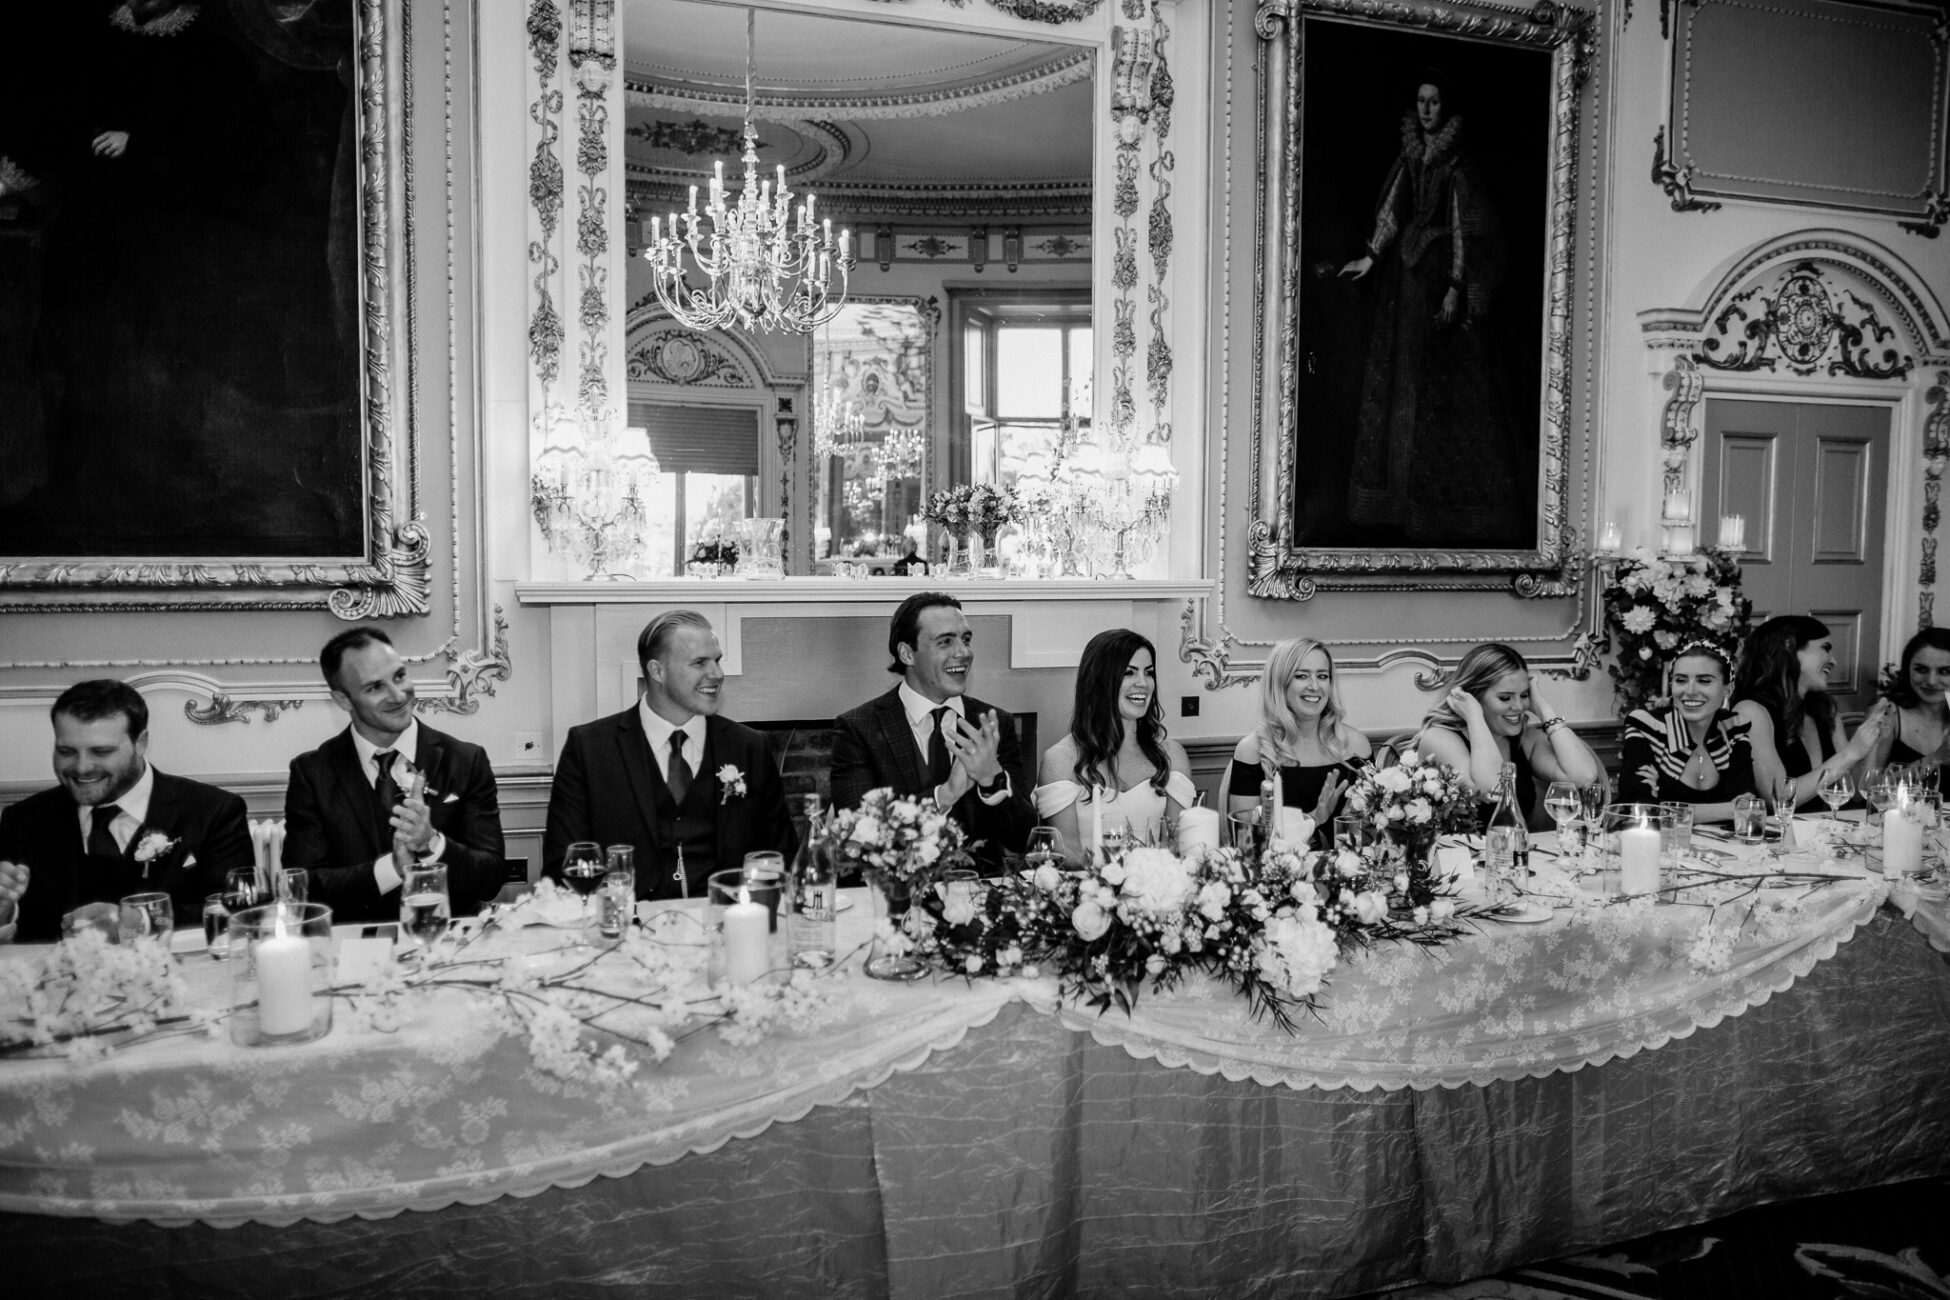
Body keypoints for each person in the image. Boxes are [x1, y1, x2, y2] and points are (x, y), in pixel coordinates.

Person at [1337, 69, 1521, 546]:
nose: (1426, 109)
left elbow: (1465, 228)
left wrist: (1456, 288)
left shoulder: (1457, 164)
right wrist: (1372, 255)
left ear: (1447, 108)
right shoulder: (1410, 156)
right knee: (1399, 380)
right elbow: (1392, 212)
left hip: (1439, 276)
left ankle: (1433, 510)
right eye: (1420, 100)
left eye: (1434, 101)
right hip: (1405, 278)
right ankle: (1391, 499)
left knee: (1437, 391)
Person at [543, 610, 795, 900]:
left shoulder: (750, 747)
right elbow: (561, 867)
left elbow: (781, 854)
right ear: (657, 671)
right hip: (629, 928)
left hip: (729, 922)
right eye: (700, 662)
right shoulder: (589, 748)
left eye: (717, 661)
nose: (717, 674)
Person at [0, 679, 252, 943]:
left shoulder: (213, 812)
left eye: (101, 751)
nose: (82, 767)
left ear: (140, 742)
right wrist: (3, 911)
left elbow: (236, 911)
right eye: (67, 751)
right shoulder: (23, 821)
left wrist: (139, 922)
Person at [284, 628, 507, 925]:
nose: (398, 695)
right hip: (354, 951)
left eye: (400, 676)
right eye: (375, 688)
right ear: (342, 699)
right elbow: (305, 888)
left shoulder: (466, 760)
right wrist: (392, 868)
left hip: (451, 944)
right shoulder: (312, 774)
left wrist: (431, 844)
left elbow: (489, 879)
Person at [832, 591, 1035, 875]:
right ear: (907, 653)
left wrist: (992, 781)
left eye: (966, 639)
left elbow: (1023, 839)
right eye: (945, 641)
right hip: (894, 898)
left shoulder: (992, 723)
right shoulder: (858, 728)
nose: (963, 652)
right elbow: (856, 841)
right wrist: (945, 795)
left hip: (978, 901)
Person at [1035, 630, 1194, 863]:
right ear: (1099, 680)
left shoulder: (1172, 757)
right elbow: (1067, 858)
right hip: (1088, 891)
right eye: (1129, 673)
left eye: (1148, 673)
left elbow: (1177, 850)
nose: (1143, 683)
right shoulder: (1061, 760)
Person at [1413, 642, 1602, 828]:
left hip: (1513, 854)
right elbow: (1493, 789)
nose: (1518, 707)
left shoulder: (1526, 739)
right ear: (1473, 697)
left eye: (1524, 695)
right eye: (1505, 698)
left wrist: (1543, 709)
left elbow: (1583, 776)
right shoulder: (1440, 739)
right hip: (1456, 858)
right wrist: (1474, 717)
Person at [1731, 615, 1886, 810]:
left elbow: (1852, 794)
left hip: (1816, 833)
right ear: (1790, 647)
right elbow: (1778, 798)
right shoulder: (1751, 711)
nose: (1834, 661)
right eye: (1826, 648)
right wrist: (1850, 753)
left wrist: (1871, 740)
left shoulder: (1825, 709)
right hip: (1767, 835)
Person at [1226, 637, 1371, 843]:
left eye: (1322, 676)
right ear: (1280, 684)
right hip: (1280, 873)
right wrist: (1313, 818)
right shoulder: (1253, 750)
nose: (1314, 686)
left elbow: (1373, 836)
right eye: (1301, 676)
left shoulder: (1356, 746)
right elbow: (1248, 843)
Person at [1616, 641, 1758, 821]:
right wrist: (1730, 810)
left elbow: (1747, 809)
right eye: (1681, 680)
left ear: (1727, 690)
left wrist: (1663, 806)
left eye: (1704, 681)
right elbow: (1640, 809)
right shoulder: (1647, 725)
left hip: (1721, 847)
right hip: (1653, 846)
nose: (1690, 691)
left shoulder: (1734, 728)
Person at [1867, 627, 1950, 774]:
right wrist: (1936, 759)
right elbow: (1869, 788)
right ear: (1907, 669)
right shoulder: (1887, 713)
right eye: (1921, 670)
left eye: (1944, 671)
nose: (1931, 681)